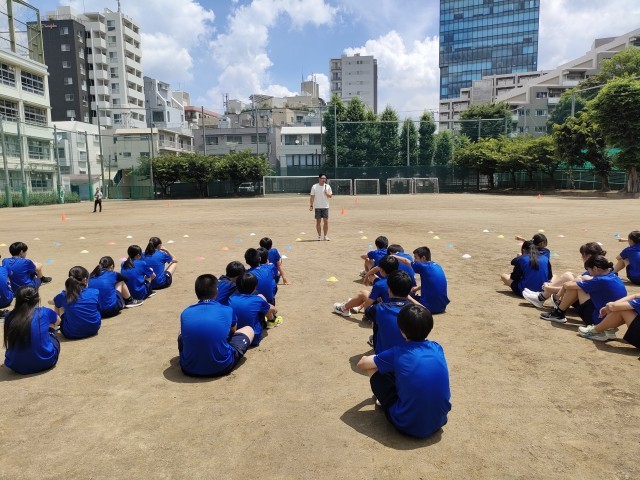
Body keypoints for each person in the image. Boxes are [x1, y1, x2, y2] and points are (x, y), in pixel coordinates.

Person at [356, 304, 451, 438]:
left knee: (373, 367)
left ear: (401, 330)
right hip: (439, 421)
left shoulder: (398, 352)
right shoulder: (437, 347)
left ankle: (384, 402)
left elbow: (362, 365)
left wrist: (366, 357)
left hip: (407, 425)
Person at [178, 274, 254, 377]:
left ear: (196, 292)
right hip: (221, 367)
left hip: (188, 368)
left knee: (181, 332)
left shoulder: (185, 312)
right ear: (216, 291)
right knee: (249, 329)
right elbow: (233, 331)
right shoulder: (227, 310)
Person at [540, 255, 627, 326]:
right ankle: (558, 309)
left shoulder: (600, 280)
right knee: (580, 282)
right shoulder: (613, 275)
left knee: (577, 287)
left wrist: (558, 293)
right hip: (611, 319)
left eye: (589, 270)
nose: (589, 272)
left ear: (595, 269)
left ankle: (558, 313)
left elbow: (567, 285)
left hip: (597, 320)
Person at [523, 242, 606, 308]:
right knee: (568, 276)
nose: (581, 258)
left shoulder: (595, 270)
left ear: (589, 256)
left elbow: (574, 287)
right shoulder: (599, 266)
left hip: (589, 303)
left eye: (583, 255)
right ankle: (541, 296)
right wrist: (550, 286)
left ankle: (541, 297)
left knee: (573, 281)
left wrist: (548, 288)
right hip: (589, 298)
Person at [3, 286, 61, 375]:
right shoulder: (44, 312)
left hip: (16, 365)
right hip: (45, 361)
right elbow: (58, 321)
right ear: (37, 299)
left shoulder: (9, 317)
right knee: (51, 326)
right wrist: (49, 327)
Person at [333, 255, 403, 317]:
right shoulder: (402, 278)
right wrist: (367, 276)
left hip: (386, 313)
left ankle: (343, 308)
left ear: (381, 270)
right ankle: (356, 304)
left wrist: (366, 315)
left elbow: (368, 304)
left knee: (363, 293)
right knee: (377, 295)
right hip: (400, 311)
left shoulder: (380, 284)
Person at [369, 270, 415, 353]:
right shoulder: (415, 310)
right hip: (408, 354)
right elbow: (425, 311)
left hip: (383, 356)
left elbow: (367, 311)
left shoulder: (379, 308)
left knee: (376, 319)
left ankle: (376, 341)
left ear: (389, 290)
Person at [394, 246, 450, 314]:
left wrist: (392, 256)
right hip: (442, 307)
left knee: (402, 297)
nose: (414, 260)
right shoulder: (437, 266)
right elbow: (432, 282)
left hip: (428, 308)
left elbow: (405, 261)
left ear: (423, 258)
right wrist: (417, 288)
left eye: (416, 258)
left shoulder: (422, 266)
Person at [229, 272, 278, 346]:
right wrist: (275, 310)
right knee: (262, 304)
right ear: (255, 287)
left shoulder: (230, 298)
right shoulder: (257, 299)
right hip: (253, 338)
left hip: (233, 336)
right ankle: (271, 321)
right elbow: (272, 309)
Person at [53, 266, 101, 339]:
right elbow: (98, 308)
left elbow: (54, 302)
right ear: (85, 279)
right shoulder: (94, 292)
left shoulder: (64, 295)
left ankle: (56, 325)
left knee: (59, 305)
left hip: (71, 333)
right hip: (94, 328)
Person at [309, 173, 333, 241]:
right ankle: (319, 236)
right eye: (322, 178)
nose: (323, 179)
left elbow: (331, 196)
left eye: (324, 178)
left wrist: (327, 193)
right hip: (317, 207)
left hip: (325, 206)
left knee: (326, 222)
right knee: (318, 222)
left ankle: (325, 236)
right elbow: (312, 197)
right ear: (319, 179)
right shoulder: (314, 186)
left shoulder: (327, 186)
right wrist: (311, 205)